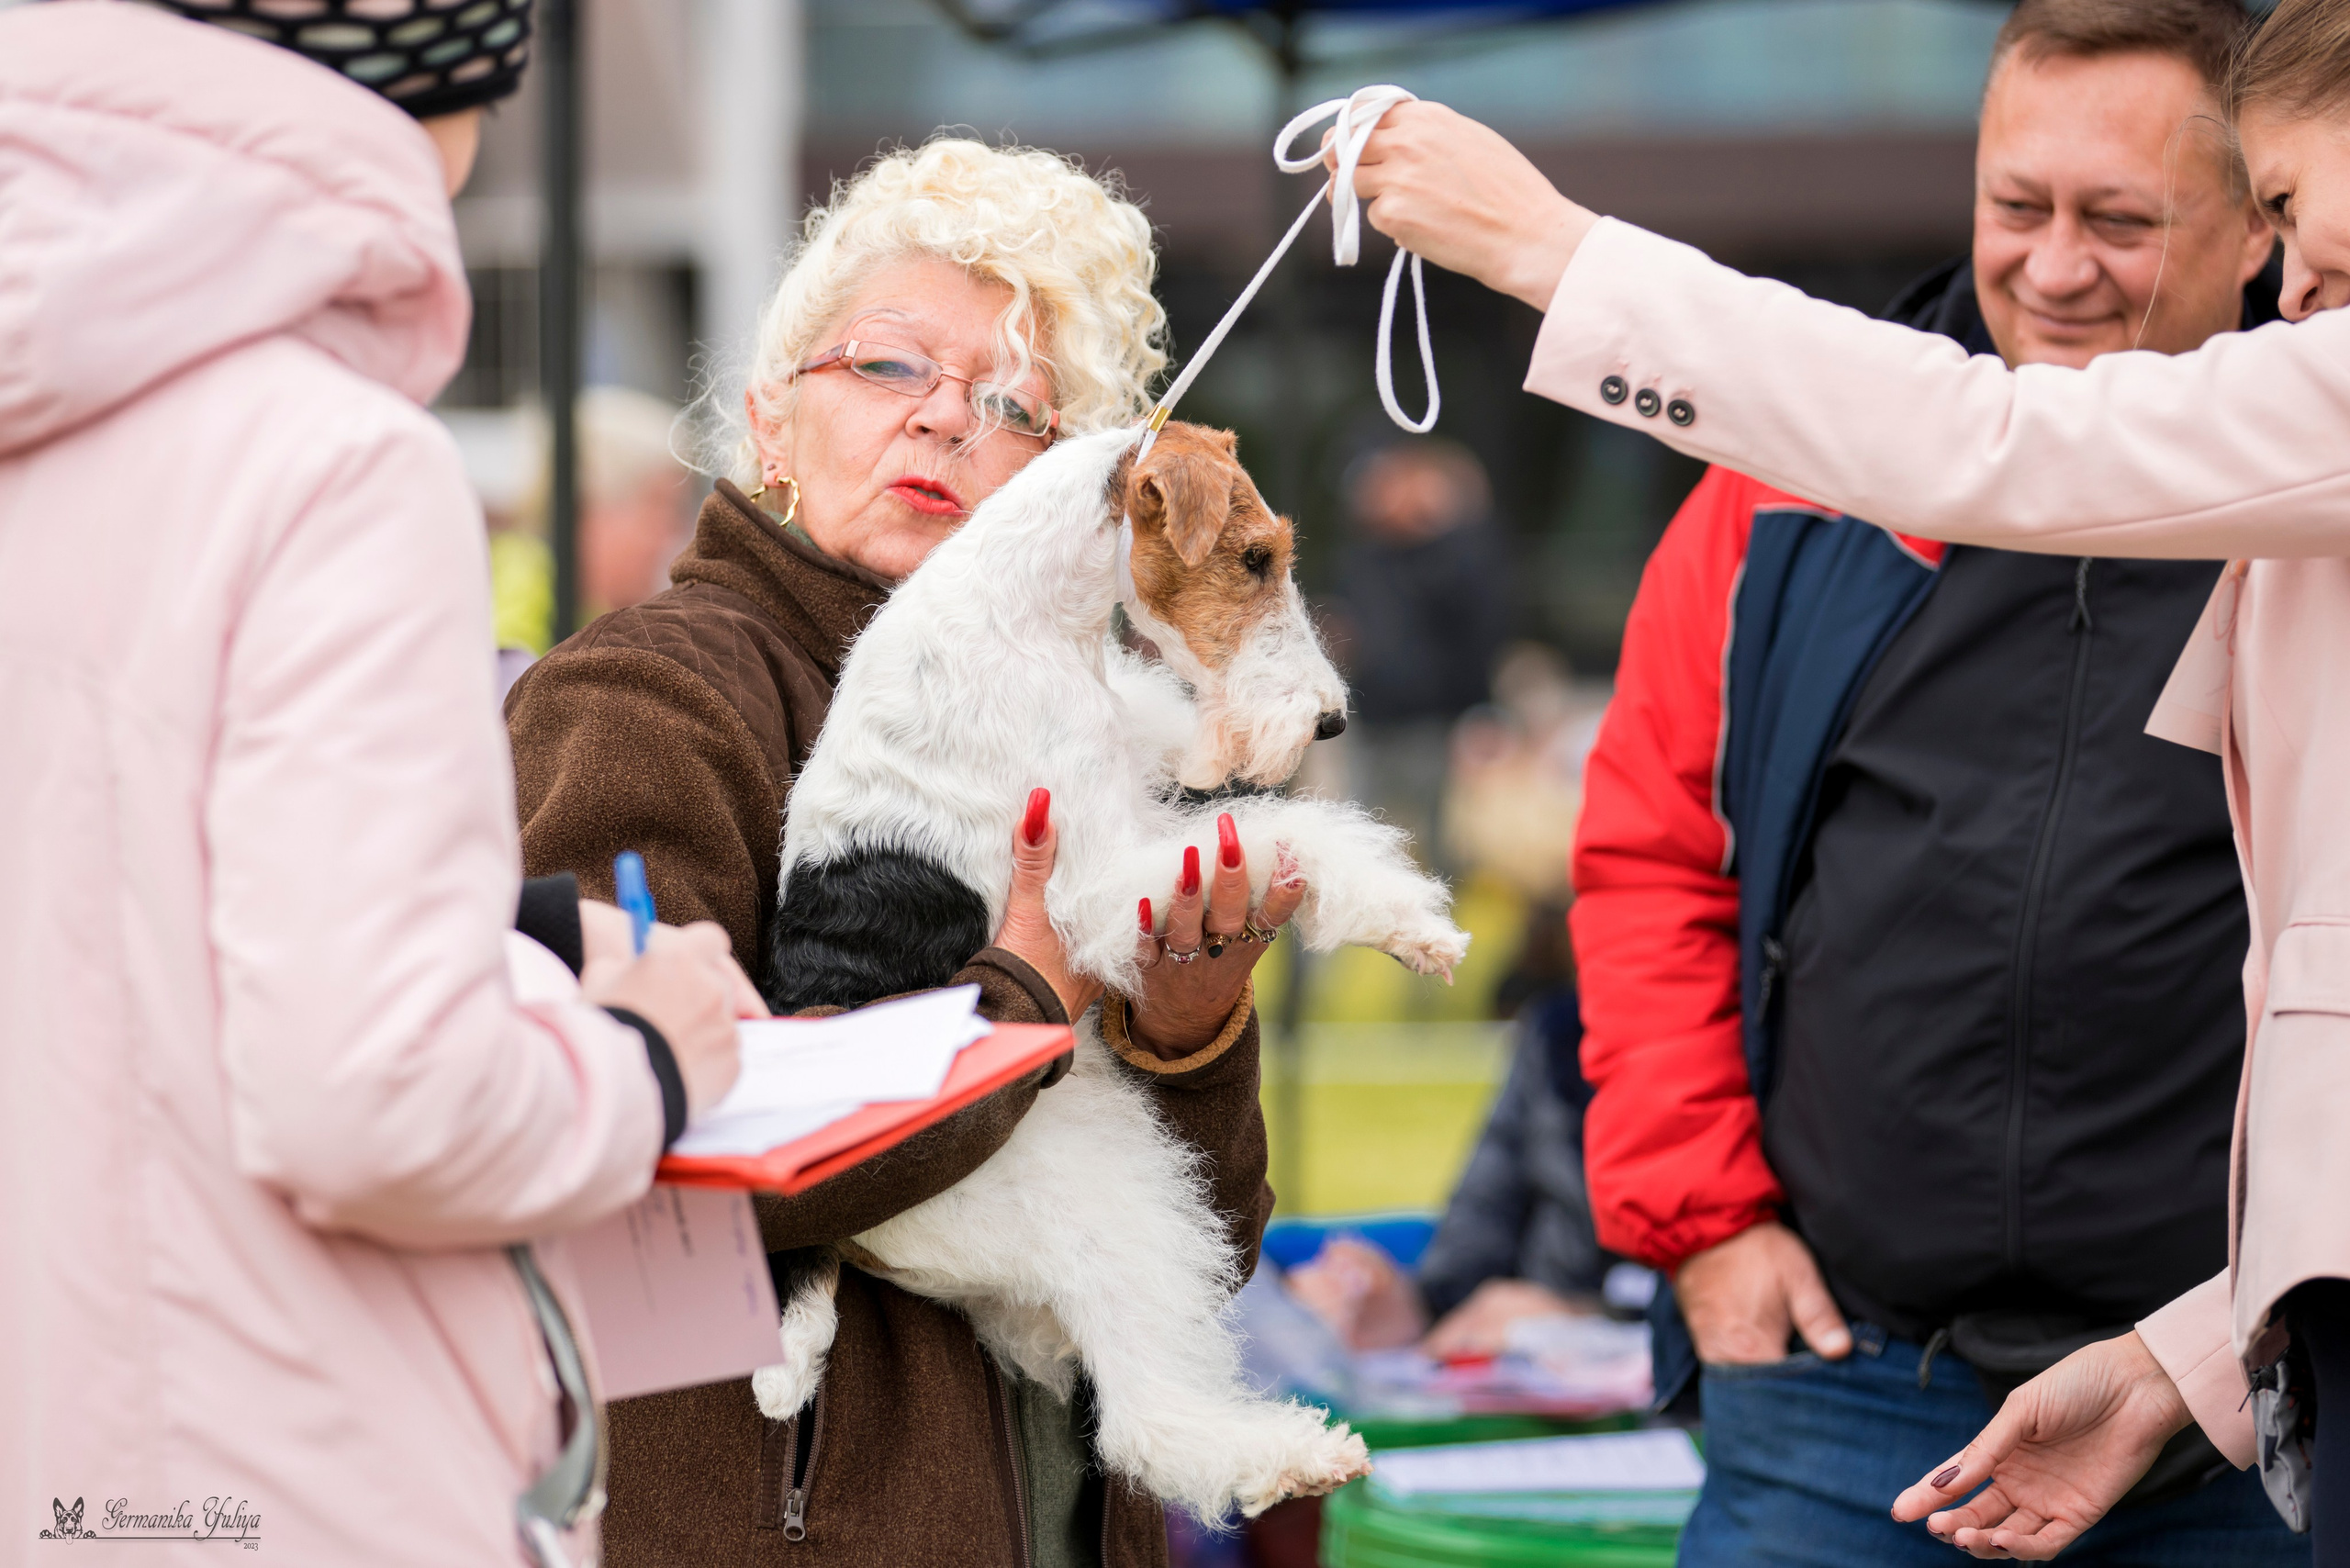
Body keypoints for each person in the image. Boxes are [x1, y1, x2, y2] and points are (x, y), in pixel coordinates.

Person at [1341, 0, 2350, 1555]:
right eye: (2018, 205)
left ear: (2241, 232)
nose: (2057, 263)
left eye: (2128, 220)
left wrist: (2223, 1347)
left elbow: (1991, 447)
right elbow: (1650, 848)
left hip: (2241, 1413)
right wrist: (1705, 1217)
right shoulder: (1790, 492)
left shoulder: (2296, 476)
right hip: (1846, 1381)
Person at [0, 4, 756, 1564]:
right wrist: (643, 1054)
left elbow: (100, 937)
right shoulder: (331, 465)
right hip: (274, 1475)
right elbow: (378, 1100)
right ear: (449, 62)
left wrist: (516, 953)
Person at [503, 140, 1304, 1567]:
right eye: (887, 369)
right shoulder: (651, 697)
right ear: (767, 419)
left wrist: (1188, 1035)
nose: (944, 420)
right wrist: (1017, 1004)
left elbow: (1206, 1253)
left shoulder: (1090, 723)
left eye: (1014, 408)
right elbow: (626, 1170)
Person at [1325, 439, 1511, 868]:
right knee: (1359, 838)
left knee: (1438, 848)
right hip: (1371, 721)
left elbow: (1483, 628)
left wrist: (1481, 714)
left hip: (1433, 725)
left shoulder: (1456, 555)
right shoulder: (1364, 559)